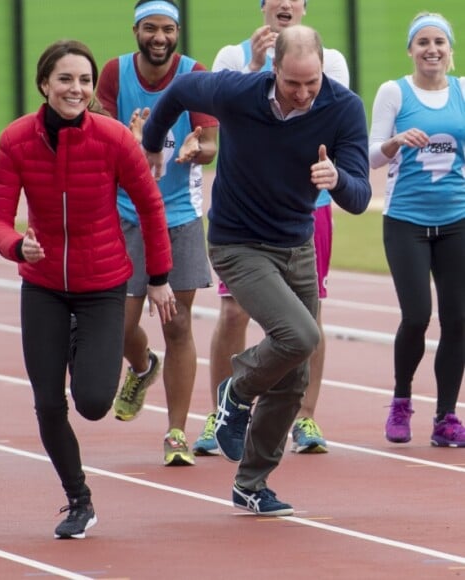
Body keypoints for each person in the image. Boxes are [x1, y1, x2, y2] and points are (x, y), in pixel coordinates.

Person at [142, 25, 371, 515]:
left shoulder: (342, 107)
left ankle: (251, 482)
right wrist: (152, 141)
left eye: (312, 83)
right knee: (300, 336)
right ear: (274, 70)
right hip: (237, 242)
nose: (304, 93)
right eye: (293, 83)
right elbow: (180, 90)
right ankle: (236, 387)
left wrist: (338, 180)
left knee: (293, 374)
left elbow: (361, 196)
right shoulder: (238, 90)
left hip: (296, 242)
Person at [0, 39, 175, 539]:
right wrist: (14, 246)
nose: (76, 89)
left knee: (91, 401)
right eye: (66, 79)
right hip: (43, 285)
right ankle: (78, 499)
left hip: (101, 283)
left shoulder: (113, 138)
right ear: (44, 84)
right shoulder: (16, 140)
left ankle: (98, 349)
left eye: (85, 80)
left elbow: (152, 208)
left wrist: (157, 278)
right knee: (48, 402)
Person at [193, 0, 349, 457]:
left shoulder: (330, 59)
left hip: (308, 204)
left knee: (308, 316)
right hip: (246, 209)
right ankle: (220, 410)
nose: (285, 3)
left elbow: (331, 117)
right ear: (262, 6)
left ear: (304, 7)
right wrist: (257, 68)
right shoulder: (231, 55)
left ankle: (304, 416)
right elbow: (219, 115)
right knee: (233, 312)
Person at [96, 0, 218, 467]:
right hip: (125, 213)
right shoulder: (114, 73)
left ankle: (175, 433)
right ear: (136, 31)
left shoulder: (195, 74)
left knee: (178, 323)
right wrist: (126, 137)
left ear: (178, 32)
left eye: (168, 29)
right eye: (151, 28)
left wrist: (196, 147)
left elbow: (209, 142)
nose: (159, 37)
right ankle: (143, 366)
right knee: (120, 326)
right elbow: (102, 133)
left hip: (180, 215)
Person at [370, 12, 465, 448]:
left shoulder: (463, 91)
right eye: (423, 42)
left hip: (457, 221)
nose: (432, 49)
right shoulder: (394, 92)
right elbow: (370, 156)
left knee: (458, 319)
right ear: (411, 50)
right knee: (415, 315)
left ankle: (446, 417)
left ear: (450, 49)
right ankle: (401, 401)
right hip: (406, 221)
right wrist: (393, 143)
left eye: (439, 42)